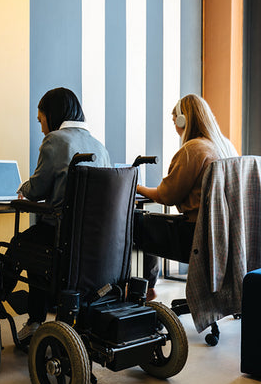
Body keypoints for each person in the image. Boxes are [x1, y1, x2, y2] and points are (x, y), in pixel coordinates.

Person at [14, 87, 111, 341]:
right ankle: (36, 318)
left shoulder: (55, 140)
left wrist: (21, 189)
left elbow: (36, 189)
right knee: (36, 249)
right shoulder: (100, 147)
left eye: (41, 121)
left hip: (60, 235)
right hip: (95, 243)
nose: (42, 129)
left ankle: (2, 289)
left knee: (22, 245)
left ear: (51, 115)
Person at [134, 94, 238, 302]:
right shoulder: (226, 146)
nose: (175, 127)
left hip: (195, 235)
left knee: (136, 221)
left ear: (183, 120)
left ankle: (146, 290)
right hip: (224, 234)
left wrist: (135, 186)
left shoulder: (193, 149)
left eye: (175, 122)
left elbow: (166, 195)